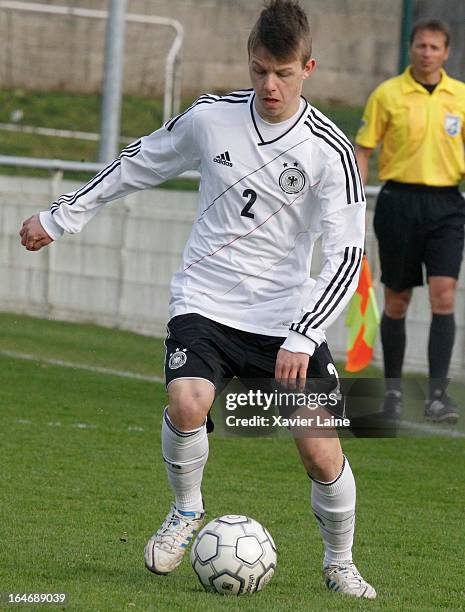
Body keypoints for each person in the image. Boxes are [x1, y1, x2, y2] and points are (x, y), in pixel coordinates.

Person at [20, 0, 375, 599]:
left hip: (285, 320)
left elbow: (346, 256)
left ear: (307, 68)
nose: (269, 85)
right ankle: (187, 510)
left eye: (283, 73)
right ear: (249, 60)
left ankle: (339, 562)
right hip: (205, 302)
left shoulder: (329, 151)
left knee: (319, 451)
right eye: (260, 69)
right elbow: (140, 162)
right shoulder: (211, 118)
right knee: (188, 402)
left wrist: (304, 333)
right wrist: (61, 217)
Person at [355, 19, 465, 424]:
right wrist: (355, 203)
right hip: (399, 201)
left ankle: (438, 397)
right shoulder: (387, 94)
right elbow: (364, 150)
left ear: (446, 52)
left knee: (444, 295)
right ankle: (394, 393)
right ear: (411, 48)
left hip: (447, 204)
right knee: (398, 299)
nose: (427, 53)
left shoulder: (461, 97)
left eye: (435, 47)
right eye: (421, 46)